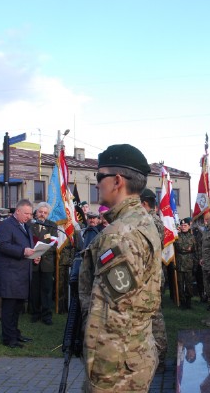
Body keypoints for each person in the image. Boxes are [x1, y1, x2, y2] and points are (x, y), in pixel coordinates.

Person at [79, 143, 161, 392]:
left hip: (116, 367)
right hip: (134, 354)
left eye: (99, 176)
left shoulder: (119, 234)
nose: (96, 183)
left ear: (117, 181)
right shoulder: (142, 222)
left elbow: (111, 315)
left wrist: (99, 373)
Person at [0, 199, 38, 349]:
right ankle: (8, 338)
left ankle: (15, 333)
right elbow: (3, 246)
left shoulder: (26, 226)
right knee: (9, 308)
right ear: (17, 211)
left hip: (22, 274)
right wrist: (23, 251)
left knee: (17, 308)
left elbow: (28, 246)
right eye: (26, 213)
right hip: (10, 274)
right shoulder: (6, 225)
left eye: (30, 213)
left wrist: (34, 256)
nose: (29, 216)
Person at [139, 187, 167, 369]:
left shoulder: (150, 220)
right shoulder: (152, 220)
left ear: (144, 204)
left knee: (154, 317)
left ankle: (161, 357)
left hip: (151, 276)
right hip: (152, 274)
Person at [29, 202, 57, 325]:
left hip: (46, 262)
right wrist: (34, 255)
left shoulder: (52, 226)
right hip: (32, 261)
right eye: (40, 212)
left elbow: (54, 243)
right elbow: (26, 241)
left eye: (45, 213)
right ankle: (35, 313)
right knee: (34, 289)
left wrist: (40, 254)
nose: (42, 214)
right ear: (36, 212)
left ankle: (46, 315)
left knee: (47, 289)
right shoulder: (29, 225)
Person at [174, 217, 197, 309]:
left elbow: (196, 252)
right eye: (182, 225)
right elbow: (175, 251)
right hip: (179, 264)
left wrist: (195, 265)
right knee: (180, 284)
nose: (183, 227)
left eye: (185, 225)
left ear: (189, 226)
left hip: (189, 264)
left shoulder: (192, 238)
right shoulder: (176, 237)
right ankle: (182, 301)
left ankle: (189, 301)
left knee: (189, 284)